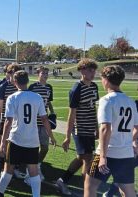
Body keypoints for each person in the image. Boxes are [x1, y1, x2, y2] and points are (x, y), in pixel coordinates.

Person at [0, 70, 56, 197]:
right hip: (32, 139)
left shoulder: (13, 97)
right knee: (33, 170)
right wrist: (51, 136)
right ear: (28, 81)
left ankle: (0, 193)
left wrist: (3, 142)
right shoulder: (37, 97)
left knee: (8, 168)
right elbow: (45, 119)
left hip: (16, 138)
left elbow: (8, 121)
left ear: (15, 82)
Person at [84, 65, 138, 197]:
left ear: (106, 79)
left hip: (108, 153)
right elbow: (136, 127)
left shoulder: (107, 100)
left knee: (90, 185)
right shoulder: (130, 101)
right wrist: (128, 141)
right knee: (128, 191)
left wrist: (102, 156)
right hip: (126, 153)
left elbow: (105, 128)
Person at [56, 58, 99, 195]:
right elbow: (71, 114)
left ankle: (62, 181)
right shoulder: (76, 89)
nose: (93, 73)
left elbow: (93, 109)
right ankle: (87, 190)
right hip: (80, 129)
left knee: (82, 158)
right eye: (90, 70)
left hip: (90, 128)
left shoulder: (94, 86)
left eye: (94, 70)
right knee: (88, 159)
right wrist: (67, 136)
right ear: (82, 70)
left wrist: (96, 127)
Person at [27, 66, 55, 181]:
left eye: (47, 73)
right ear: (38, 74)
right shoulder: (33, 87)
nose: (45, 75)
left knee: (45, 147)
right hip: (33, 121)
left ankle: (37, 165)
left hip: (44, 121)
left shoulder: (49, 87)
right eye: (43, 73)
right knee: (32, 147)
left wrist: (53, 112)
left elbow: (48, 102)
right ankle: (29, 169)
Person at [0, 64, 22, 177]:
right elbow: (0, 104)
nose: (13, 76)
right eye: (12, 73)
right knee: (3, 143)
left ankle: (15, 167)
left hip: (18, 121)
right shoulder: (4, 86)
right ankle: (2, 166)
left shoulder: (20, 87)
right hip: (5, 119)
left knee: (16, 144)